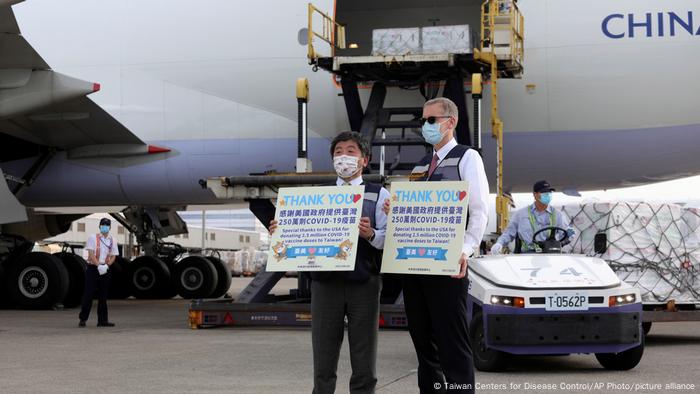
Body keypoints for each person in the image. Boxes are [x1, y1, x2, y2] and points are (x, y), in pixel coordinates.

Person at [269, 131, 390, 394]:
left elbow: (389, 240)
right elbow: (293, 241)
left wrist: (370, 234)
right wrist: (281, 230)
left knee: (364, 354)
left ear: (364, 160)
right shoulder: (316, 198)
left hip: (364, 284)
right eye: (338, 152)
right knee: (323, 354)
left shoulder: (378, 195)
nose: (343, 157)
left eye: (350, 151)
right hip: (325, 285)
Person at [384, 97, 489, 393]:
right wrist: (396, 211)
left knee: (452, 343)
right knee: (423, 342)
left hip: (447, 267)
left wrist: (465, 250)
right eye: (423, 121)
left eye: (431, 120)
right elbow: (412, 215)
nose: (425, 126)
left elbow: (480, 211)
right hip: (415, 267)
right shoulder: (420, 167)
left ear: (450, 122)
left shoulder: (467, 157)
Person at [490, 180, 573, 254]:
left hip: (550, 255)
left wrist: (565, 239)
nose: (547, 195)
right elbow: (509, 233)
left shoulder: (558, 215)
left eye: (549, 192)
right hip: (527, 255)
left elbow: (567, 235)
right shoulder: (520, 215)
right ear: (535, 195)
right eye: (544, 193)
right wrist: (499, 243)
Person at [78, 218, 118, 327]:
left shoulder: (112, 240)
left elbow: (113, 255)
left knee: (103, 296)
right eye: (103, 225)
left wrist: (107, 265)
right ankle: (83, 319)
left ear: (110, 227)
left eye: (106, 225)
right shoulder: (93, 238)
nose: (104, 226)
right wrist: (98, 265)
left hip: (105, 269)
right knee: (88, 294)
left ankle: (102, 321)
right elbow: (91, 253)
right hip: (93, 268)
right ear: (99, 226)